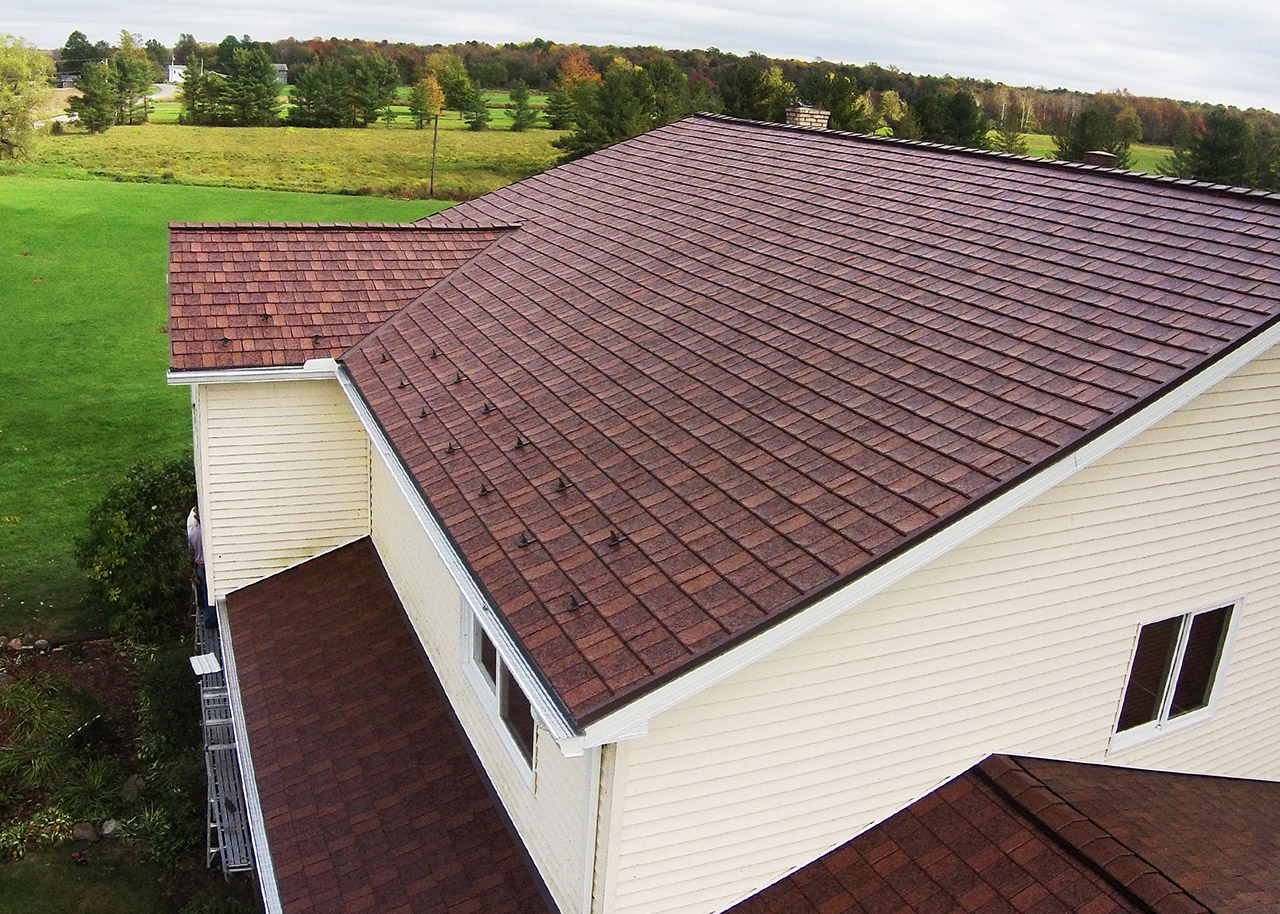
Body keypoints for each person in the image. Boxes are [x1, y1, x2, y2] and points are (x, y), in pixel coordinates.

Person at [188, 506, 215, 628]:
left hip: (200, 566)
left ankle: (208, 617)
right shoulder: (206, 533)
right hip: (208, 566)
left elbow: (191, 552)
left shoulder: (192, 533)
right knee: (211, 592)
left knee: (205, 592)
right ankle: (211, 620)